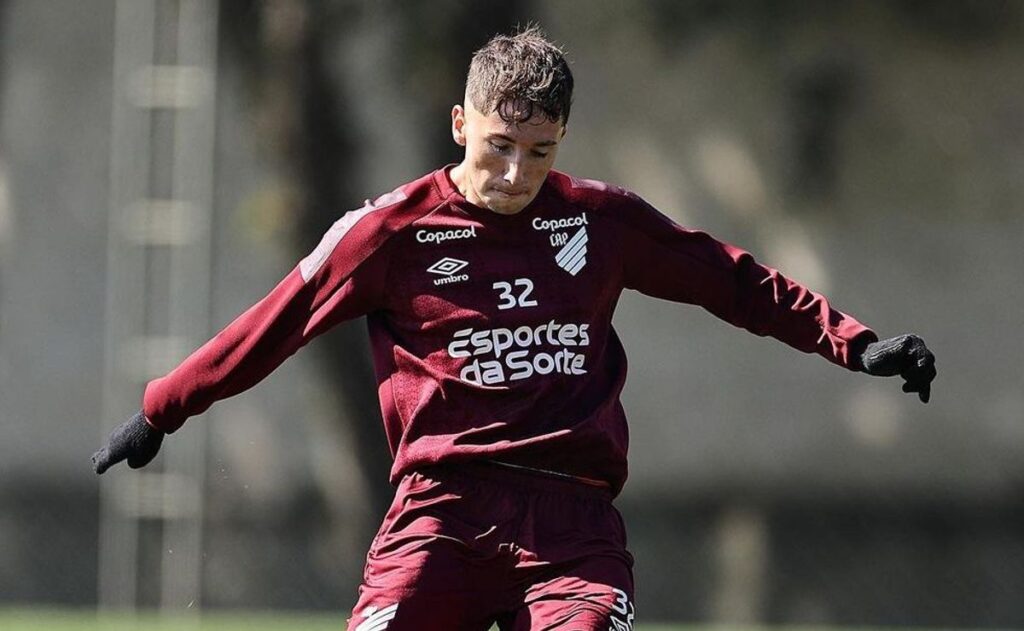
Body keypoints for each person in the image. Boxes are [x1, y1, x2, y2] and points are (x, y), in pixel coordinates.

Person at [93, 26, 936, 631]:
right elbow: (272, 324)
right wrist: (164, 409)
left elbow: (731, 279)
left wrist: (856, 342)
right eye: (499, 145)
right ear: (460, 124)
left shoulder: (601, 222)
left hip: (574, 524)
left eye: (540, 152)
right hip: (440, 514)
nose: (515, 172)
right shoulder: (389, 233)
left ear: (561, 139)